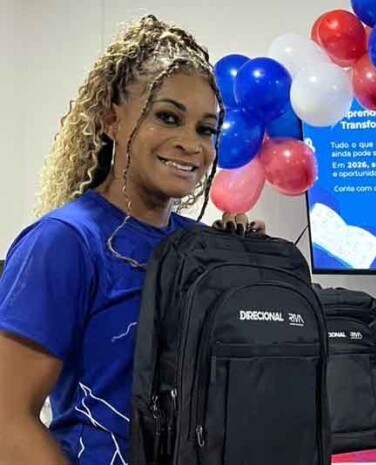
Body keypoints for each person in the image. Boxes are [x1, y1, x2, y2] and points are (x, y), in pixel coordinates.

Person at [0, 15, 263, 465]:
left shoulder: (201, 248)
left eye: (205, 129)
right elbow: (8, 419)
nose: (190, 144)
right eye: (167, 117)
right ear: (111, 121)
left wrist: (248, 267)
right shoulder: (65, 243)